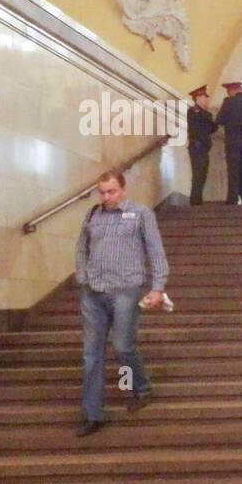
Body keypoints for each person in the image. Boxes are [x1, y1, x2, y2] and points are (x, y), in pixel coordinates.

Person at [74, 170, 170, 437]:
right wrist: (82, 276)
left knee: (122, 346)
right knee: (91, 354)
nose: (106, 197)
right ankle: (93, 413)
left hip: (126, 291)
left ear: (123, 190)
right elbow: (82, 247)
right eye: (102, 192)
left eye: (111, 191)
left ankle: (142, 387)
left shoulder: (141, 215)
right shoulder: (92, 215)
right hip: (93, 292)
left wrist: (158, 287)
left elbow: (156, 251)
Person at [185, 85, 216, 206]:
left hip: (204, 147)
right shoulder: (193, 111)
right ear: (197, 98)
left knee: (203, 173)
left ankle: (198, 199)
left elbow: (213, 127)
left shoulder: (203, 113)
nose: (205, 100)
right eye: (203, 97)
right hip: (196, 146)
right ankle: (195, 201)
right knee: (198, 173)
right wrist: (207, 116)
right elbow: (209, 124)